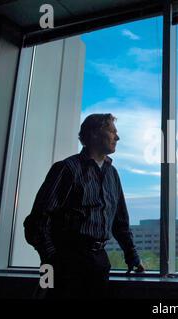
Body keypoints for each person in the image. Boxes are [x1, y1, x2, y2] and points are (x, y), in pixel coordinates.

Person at [24, 113, 144, 298]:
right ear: (95, 134)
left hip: (100, 262)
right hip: (67, 260)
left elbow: (120, 221)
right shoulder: (66, 169)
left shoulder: (112, 174)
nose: (117, 137)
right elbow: (37, 221)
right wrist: (51, 259)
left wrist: (132, 256)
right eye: (112, 131)